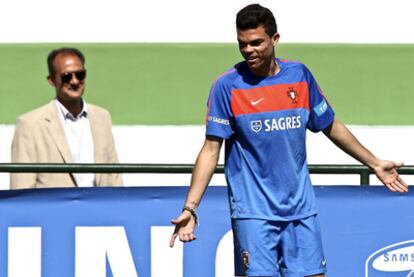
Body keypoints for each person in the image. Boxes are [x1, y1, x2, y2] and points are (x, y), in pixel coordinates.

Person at [169, 4, 408, 277]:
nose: (249, 50)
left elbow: (329, 124)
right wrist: (191, 208)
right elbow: (211, 150)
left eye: (256, 43)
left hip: (301, 210)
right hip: (253, 214)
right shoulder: (227, 86)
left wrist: (374, 163)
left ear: (275, 39)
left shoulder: (300, 76)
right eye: (242, 44)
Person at [11, 47, 122, 189]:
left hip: (98, 208)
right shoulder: (30, 124)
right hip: (53, 210)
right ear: (51, 80)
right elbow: (22, 188)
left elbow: (114, 176)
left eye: (80, 74)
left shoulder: (102, 117)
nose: (75, 81)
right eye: (67, 76)